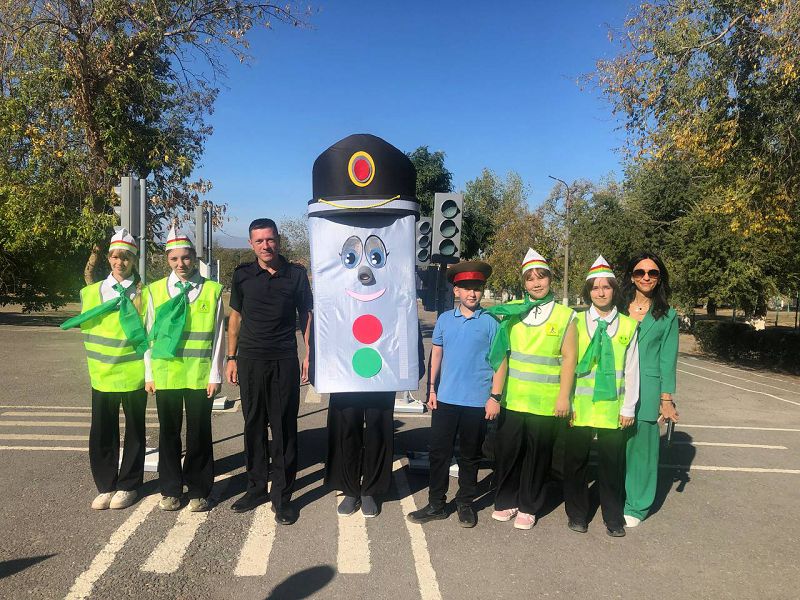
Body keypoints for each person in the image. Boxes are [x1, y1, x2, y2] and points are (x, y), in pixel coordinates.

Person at [226, 218, 313, 525]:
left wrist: (309, 354)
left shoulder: (296, 275)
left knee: (284, 428)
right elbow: (235, 318)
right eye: (259, 241)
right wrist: (231, 357)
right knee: (253, 425)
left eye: (270, 239)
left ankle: (283, 497)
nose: (266, 245)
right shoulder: (242, 275)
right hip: (250, 360)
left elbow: (306, 315)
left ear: (279, 239)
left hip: (283, 360)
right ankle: (255, 488)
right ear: (251, 244)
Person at [486, 249, 577, 530]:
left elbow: (570, 358)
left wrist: (564, 396)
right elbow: (502, 355)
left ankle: (529, 505)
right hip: (513, 399)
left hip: (544, 401)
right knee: (509, 452)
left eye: (541, 277)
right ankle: (507, 499)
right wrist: (495, 395)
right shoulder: (512, 312)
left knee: (538, 456)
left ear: (550, 279)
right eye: (530, 278)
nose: (536, 283)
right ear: (523, 282)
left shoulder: (565, 315)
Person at [60, 229, 149, 510]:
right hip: (102, 373)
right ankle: (105, 485)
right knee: (102, 430)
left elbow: (150, 334)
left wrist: (150, 373)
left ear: (134, 260)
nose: (120, 262)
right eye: (115, 257)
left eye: (126, 257)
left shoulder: (146, 294)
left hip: (134, 373)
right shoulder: (90, 293)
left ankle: (129, 485)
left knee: (135, 431)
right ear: (108, 258)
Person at [407, 261, 500, 528]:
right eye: (466, 288)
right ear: (456, 291)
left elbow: (499, 362)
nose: (472, 293)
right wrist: (431, 389)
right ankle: (436, 504)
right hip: (446, 399)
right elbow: (437, 354)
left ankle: (465, 503)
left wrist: (495, 397)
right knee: (439, 454)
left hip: (476, 402)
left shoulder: (491, 323)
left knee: (470, 456)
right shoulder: (445, 320)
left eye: (477, 288)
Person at [143, 225, 224, 512]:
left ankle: (200, 489)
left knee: (199, 433)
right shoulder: (155, 291)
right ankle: (170, 489)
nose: (181, 264)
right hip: (166, 374)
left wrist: (215, 374)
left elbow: (218, 336)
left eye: (186, 258)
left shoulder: (212, 290)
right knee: (168, 434)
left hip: (200, 374)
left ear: (194, 257)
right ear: (167, 260)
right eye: (174, 259)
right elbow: (149, 335)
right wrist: (149, 374)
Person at [562, 256, 639, 537]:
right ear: (588, 291)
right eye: (595, 287)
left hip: (612, 407)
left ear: (614, 290)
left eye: (606, 287)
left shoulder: (628, 326)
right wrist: (567, 401)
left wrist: (628, 407)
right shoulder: (575, 321)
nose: (601, 292)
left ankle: (612, 516)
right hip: (580, 405)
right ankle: (577, 514)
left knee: (611, 465)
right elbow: (567, 363)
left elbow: (632, 369)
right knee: (576, 463)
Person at [619, 251, 679, 527]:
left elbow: (668, 359)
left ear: (659, 278)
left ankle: (637, 505)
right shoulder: (617, 308)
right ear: (631, 276)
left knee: (642, 449)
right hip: (615, 385)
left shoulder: (668, 316)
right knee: (614, 445)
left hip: (648, 388)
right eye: (640, 272)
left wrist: (666, 399)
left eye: (652, 273)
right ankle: (614, 494)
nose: (646, 277)